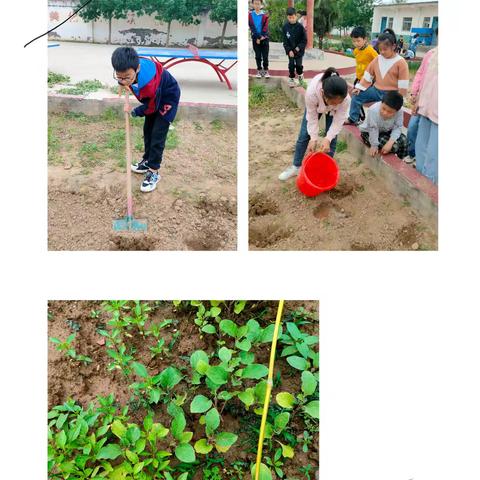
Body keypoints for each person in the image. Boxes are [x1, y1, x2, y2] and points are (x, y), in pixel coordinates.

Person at [111, 47, 181, 193]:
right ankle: (147, 161)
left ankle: (154, 172)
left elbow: (151, 107)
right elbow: (124, 79)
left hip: (167, 98)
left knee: (157, 135)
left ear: (137, 69)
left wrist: (135, 111)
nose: (123, 80)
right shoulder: (127, 67)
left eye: (127, 77)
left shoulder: (148, 84)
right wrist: (123, 83)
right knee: (148, 130)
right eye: (119, 77)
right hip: (154, 98)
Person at [278, 68, 350, 180]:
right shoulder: (312, 93)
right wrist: (313, 138)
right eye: (333, 102)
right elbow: (312, 118)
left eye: (339, 102)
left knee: (331, 140)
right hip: (316, 106)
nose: (336, 104)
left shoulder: (345, 99)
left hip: (333, 113)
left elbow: (338, 121)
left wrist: (328, 138)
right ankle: (296, 167)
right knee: (304, 135)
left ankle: (324, 168)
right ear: (323, 94)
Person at [347, 29, 409, 125]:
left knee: (382, 112)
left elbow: (403, 83)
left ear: (393, 46)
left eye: (385, 49)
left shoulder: (401, 62)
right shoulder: (377, 59)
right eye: (380, 50)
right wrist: (359, 87)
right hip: (376, 91)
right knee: (356, 96)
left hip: (391, 94)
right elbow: (368, 74)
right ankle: (353, 118)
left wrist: (400, 99)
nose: (382, 52)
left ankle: (384, 129)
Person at [404, 28, 438, 165]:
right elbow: (420, 74)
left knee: (432, 149)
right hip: (422, 103)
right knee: (413, 128)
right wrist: (415, 93)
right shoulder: (431, 54)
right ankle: (413, 154)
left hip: (435, 109)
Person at [414, 45, 438, 183]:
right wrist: (416, 96)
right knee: (421, 146)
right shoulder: (432, 53)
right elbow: (422, 76)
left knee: (434, 154)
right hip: (425, 108)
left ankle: (430, 185)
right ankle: (420, 179)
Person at [359, 90, 407, 159]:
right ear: (381, 102)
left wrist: (390, 142)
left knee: (404, 141)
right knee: (394, 147)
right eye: (383, 109)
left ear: (396, 111)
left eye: (390, 112)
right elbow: (373, 129)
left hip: (385, 130)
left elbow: (398, 127)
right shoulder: (373, 110)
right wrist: (374, 145)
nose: (385, 113)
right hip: (369, 132)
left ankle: (401, 161)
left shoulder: (399, 111)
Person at [350, 26, 378, 120]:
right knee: (355, 97)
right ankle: (359, 116)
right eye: (354, 41)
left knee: (358, 97)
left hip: (367, 80)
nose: (356, 43)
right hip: (358, 79)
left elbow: (379, 62)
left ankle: (354, 118)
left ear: (365, 39)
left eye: (358, 41)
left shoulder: (370, 51)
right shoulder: (356, 51)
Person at [283, 7, 307, 87]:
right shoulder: (285, 27)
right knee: (291, 65)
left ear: (296, 16)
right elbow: (285, 41)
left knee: (299, 66)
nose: (292, 19)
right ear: (287, 17)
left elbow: (304, 40)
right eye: (290, 18)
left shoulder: (300, 27)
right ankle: (292, 78)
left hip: (299, 51)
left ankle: (300, 77)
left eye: (293, 17)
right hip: (290, 52)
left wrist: (297, 48)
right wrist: (289, 50)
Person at [249, 0, 270, 78]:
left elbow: (265, 27)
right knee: (258, 56)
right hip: (255, 39)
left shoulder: (265, 15)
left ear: (261, 4)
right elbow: (252, 27)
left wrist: (261, 37)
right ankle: (259, 70)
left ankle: (266, 70)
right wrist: (257, 37)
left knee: (265, 56)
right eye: (255, 3)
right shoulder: (250, 15)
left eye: (258, 4)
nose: (257, 5)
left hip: (264, 38)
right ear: (252, 4)